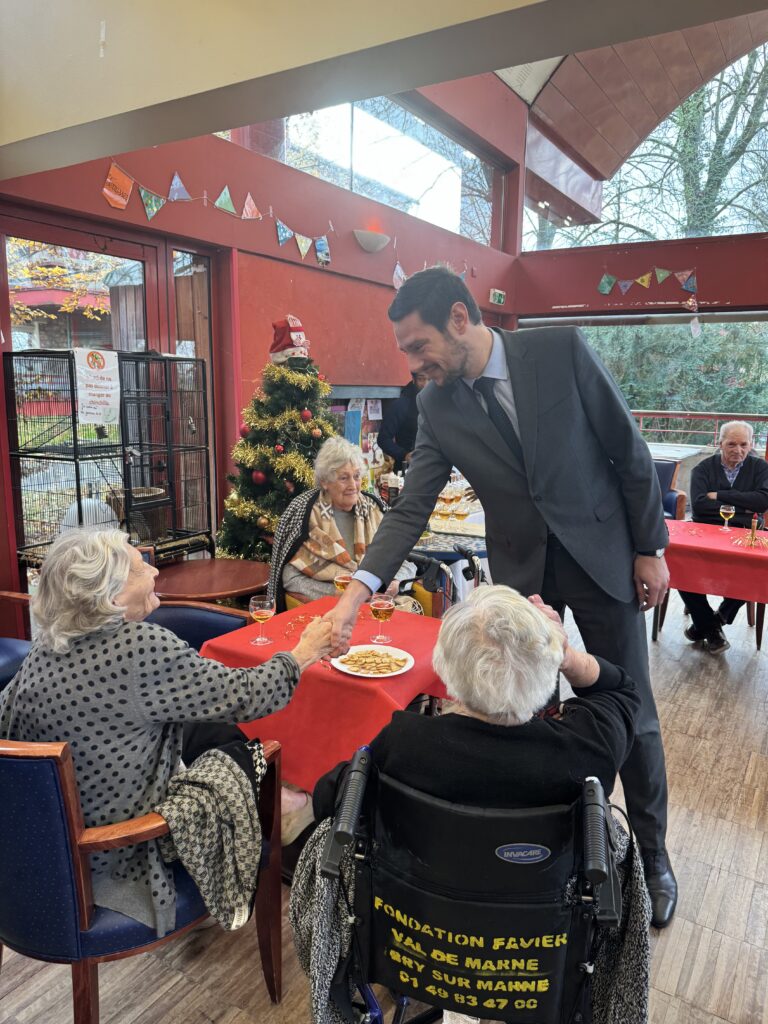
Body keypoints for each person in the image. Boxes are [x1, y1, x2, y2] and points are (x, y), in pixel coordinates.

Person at [324, 266, 677, 928]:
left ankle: (653, 858)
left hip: (605, 558)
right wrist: (354, 594)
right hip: (523, 573)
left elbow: (628, 451)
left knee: (636, 713)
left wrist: (650, 547)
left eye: (417, 345)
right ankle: (545, 857)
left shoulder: (561, 350)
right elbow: (409, 510)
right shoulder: (436, 405)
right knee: (526, 716)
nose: (412, 363)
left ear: (461, 319)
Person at [304, 588, 650, 1024]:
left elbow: (329, 800)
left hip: (420, 949)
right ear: (547, 672)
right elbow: (622, 690)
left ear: (446, 673)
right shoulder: (586, 752)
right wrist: (568, 656)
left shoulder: (404, 743)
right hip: (538, 966)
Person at [0, 528, 333, 936]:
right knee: (242, 756)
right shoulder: (139, 647)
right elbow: (249, 694)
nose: (155, 571)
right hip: (117, 861)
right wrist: (306, 650)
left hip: (37, 859)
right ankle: (285, 812)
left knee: (203, 730)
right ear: (113, 597)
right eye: (141, 567)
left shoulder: (43, 651)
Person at [268, 436, 416, 612]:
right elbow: (290, 578)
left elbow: (406, 561)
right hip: (328, 611)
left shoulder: (375, 508)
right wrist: (342, 595)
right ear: (325, 481)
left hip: (379, 606)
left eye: (356, 476)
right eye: (344, 478)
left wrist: (395, 583)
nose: (353, 485)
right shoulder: (305, 514)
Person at [679, 420, 768, 654]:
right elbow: (699, 507)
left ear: (750, 445)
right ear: (720, 444)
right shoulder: (702, 469)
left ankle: (711, 624)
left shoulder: (760, 468)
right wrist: (744, 504)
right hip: (705, 529)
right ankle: (711, 628)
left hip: (747, 531)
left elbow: (763, 502)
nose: (738, 450)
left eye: (743, 444)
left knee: (756, 573)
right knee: (682, 568)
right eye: (731, 444)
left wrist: (719, 495)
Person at [377, 372, 428, 471]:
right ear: (413, 379)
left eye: (430, 379)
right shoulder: (401, 405)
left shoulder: (437, 402)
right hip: (408, 469)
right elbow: (383, 438)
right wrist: (404, 455)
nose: (426, 385)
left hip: (436, 468)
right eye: (421, 379)